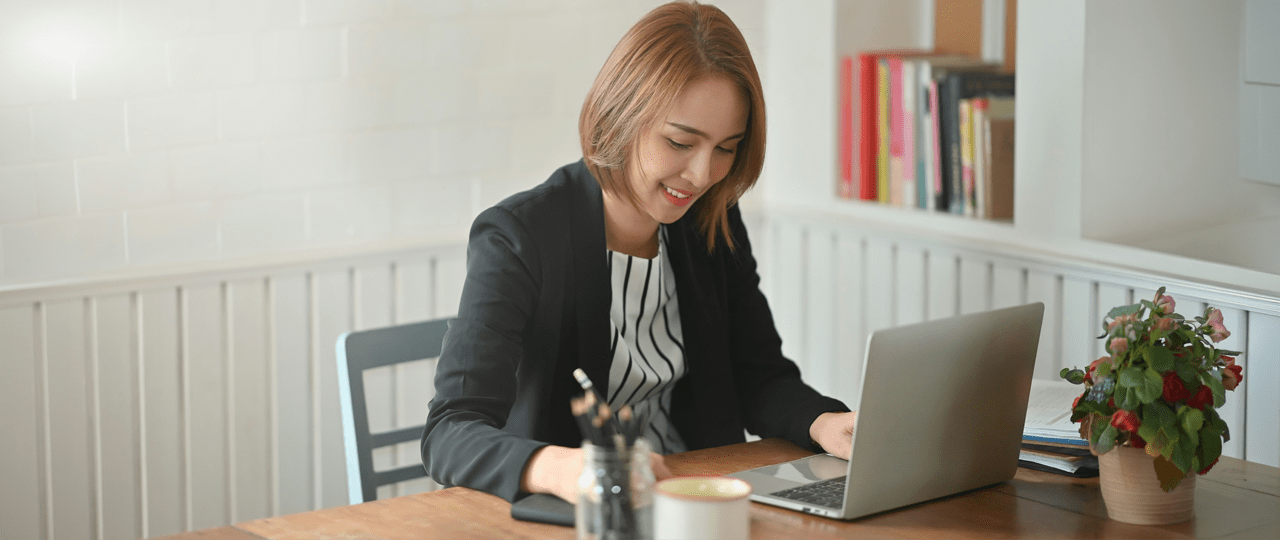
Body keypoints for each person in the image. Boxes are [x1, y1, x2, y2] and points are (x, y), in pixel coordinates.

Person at [420, 0, 857, 504]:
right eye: (679, 142)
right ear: (623, 115)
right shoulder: (519, 237)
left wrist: (825, 422)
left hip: (698, 504)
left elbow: (758, 376)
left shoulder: (712, 219)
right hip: (581, 514)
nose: (702, 175)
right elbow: (450, 431)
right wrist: (570, 469)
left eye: (725, 148)